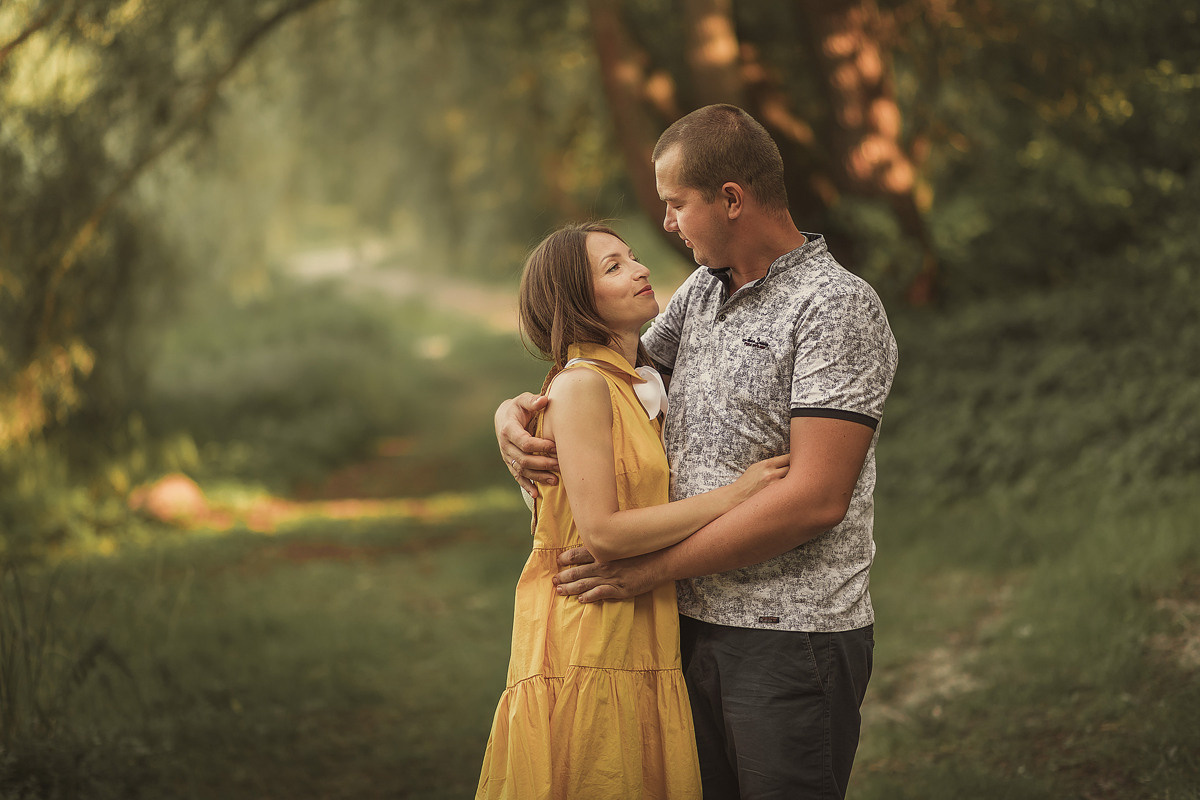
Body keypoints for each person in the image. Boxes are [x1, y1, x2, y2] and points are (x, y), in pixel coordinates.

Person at [495, 105, 898, 799]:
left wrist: (650, 570)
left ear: (731, 199)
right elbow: (609, 380)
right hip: (680, 631)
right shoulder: (704, 294)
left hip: (787, 638)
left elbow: (815, 499)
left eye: (676, 203)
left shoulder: (834, 306)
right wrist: (515, 412)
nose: (667, 224)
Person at [476, 221, 790, 799]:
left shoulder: (631, 382)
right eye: (613, 267)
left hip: (639, 628)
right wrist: (733, 495)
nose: (641, 270)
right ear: (577, 298)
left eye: (633, 257)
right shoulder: (582, 386)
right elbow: (604, 534)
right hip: (590, 630)